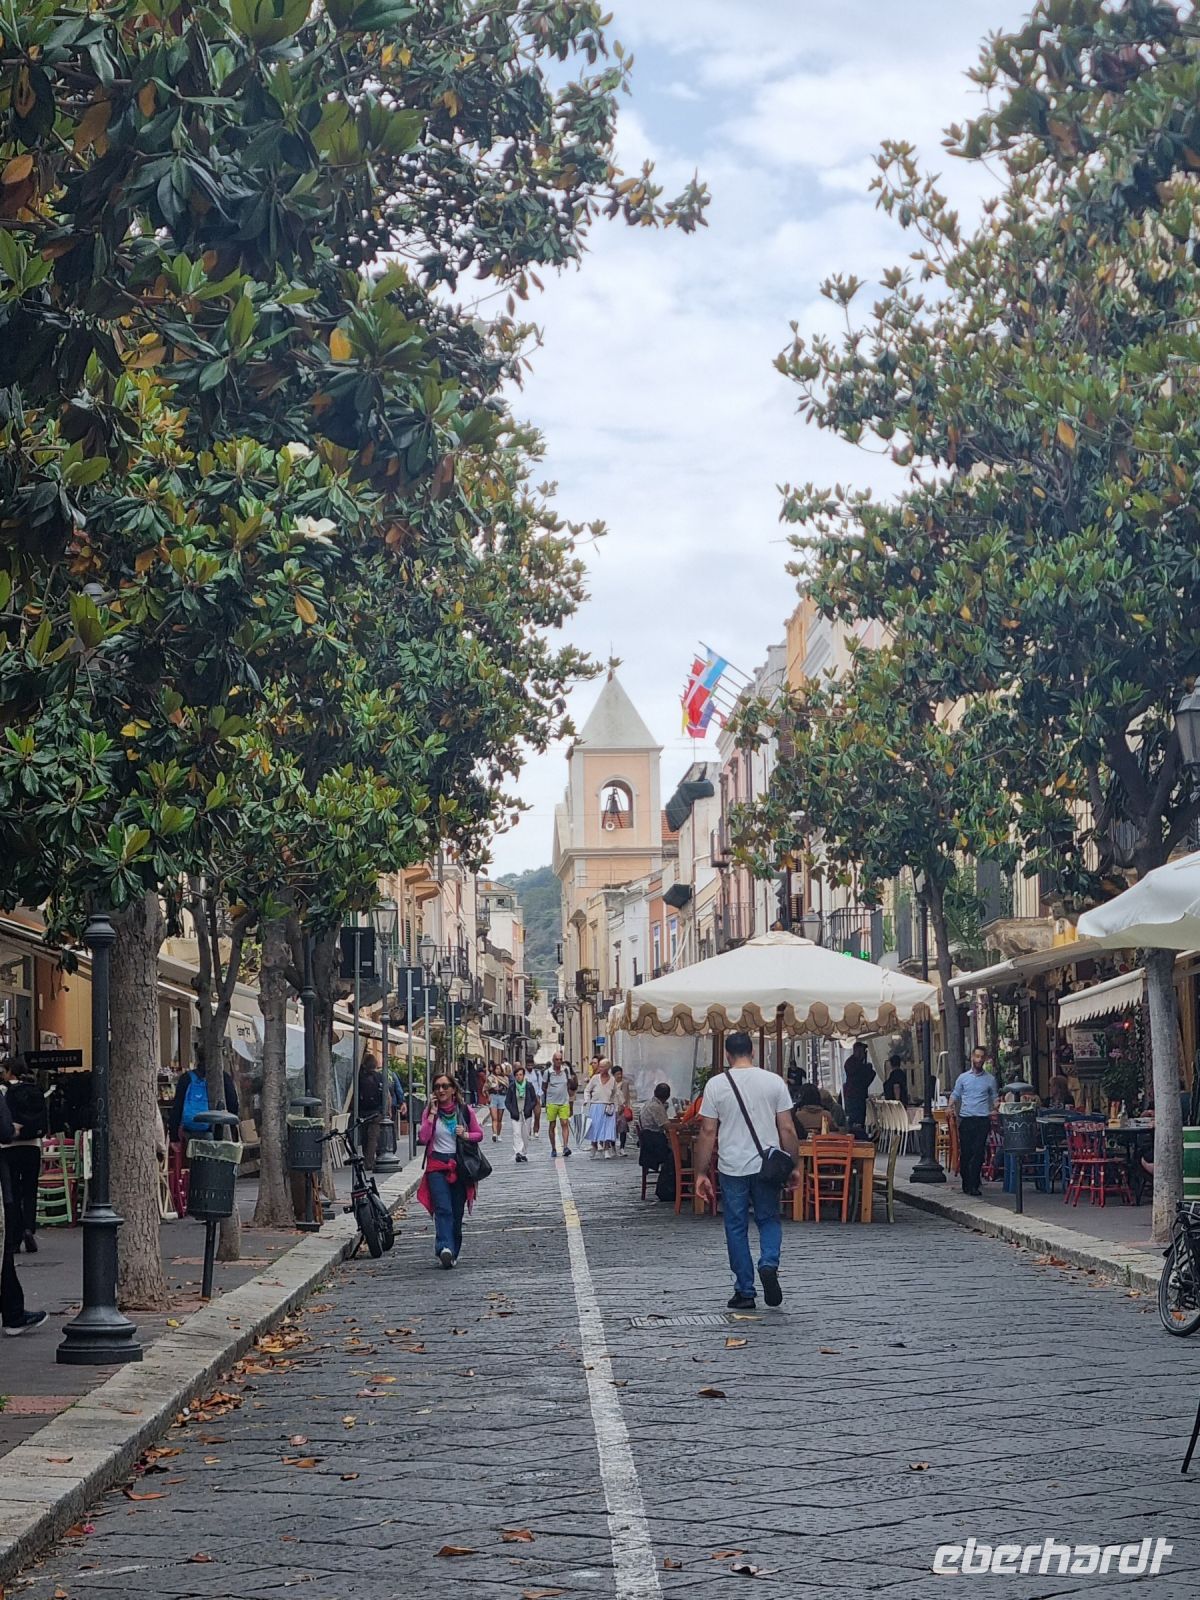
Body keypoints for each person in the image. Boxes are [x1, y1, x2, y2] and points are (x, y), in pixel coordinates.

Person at [694, 1033, 800, 1310]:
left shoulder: (716, 1085)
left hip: (732, 1166)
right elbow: (787, 1128)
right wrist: (794, 1165)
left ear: (727, 1055)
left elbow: (707, 1131)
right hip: (767, 1165)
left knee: (736, 1226)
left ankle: (745, 1290)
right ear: (753, 1052)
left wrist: (701, 1172)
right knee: (769, 1219)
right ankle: (769, 1262)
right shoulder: (774, 1082)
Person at [417, 1072, 485, 1268]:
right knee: (443, 1208)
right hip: (436, 1166)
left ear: (453, 1089)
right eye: (437, 1087)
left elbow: (479, 1135)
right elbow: (423, 1138)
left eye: (445, 1086)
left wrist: (466, 1134)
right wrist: (431, 1114)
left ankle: (453, 1251)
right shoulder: (430, 1112)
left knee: (456, 1211)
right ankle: (444, 1247)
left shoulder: (464, 1111)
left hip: (460, 1166)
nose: (441, 1090)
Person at [0, 1088, 47, 1336]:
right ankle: (13, 1314)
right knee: (4, 1250)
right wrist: (12, 1129)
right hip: (27, 1150)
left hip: (11, 1155)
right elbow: (4, 1130)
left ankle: (13, 1312)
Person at [3, 1063, 46, 1252]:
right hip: (33, 1145)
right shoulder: (35, 1090)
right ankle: (29, 1227)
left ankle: (15, 1233)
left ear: (10, 1072)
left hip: (9, 1147)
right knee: (30, 1190)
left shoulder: (5, 1091)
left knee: (12, 1191)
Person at [950, 1045, 999, 1198]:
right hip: (966, 1119)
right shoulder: (963, 1078)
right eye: (977, 1056)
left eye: (982, 1057)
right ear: (972, 1057)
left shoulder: (990, 1079)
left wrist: (996, 1107)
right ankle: (966, 1182)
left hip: (982, 1119)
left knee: (978, 1152)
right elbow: (955, 1094)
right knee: (966, 1152)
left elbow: (994, 1097)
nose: (979, 1060)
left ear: (985, 1059)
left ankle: (973, 1184)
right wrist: (950, 1106)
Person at [169, 1064, 240, 1144]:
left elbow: (177, 1108)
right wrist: (232, 1129)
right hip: (216, 1130)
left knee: (190, 1150)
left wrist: (174, 1136)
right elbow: (233, 1105)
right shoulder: (223, 1078)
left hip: (190, 1130)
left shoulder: (186, 1078)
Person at [635, 1082, 672, 1184]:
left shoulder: (651, 1103)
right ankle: (669, 1182)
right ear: (668, 1096)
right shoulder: (656, 1106)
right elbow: (666, 1126)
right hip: (653, 1144)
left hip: (650, 1141)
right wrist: (684, 1126)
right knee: (675, 1156)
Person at [583, 1059, 620, 1157]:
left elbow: (614, 1094)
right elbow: (587, 1090)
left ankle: (606, 1148)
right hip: (596, 1105)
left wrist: (615, 1107)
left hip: (608, 1106)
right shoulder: (595, 1078)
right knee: (594, 1127)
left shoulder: (612, 1080)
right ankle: (594, 1146)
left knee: (607, 1128)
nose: (600, 1069)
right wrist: (587, 1100)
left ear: (608, 1068)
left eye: (602, 1067)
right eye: (600, 1066)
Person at [542, 1051, 574, 1158]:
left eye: (560, 1059)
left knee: (565, 1123)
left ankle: (565, 1147)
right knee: (552, 1125)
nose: (559, 1061)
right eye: (557, 1059)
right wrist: (551, 1093)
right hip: (551, 1102)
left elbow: (569, 1083)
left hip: (564, 1101)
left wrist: (567, 1093)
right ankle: (553, 1148)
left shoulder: (566, 1070)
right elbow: (544, 1086)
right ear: (553, 1060)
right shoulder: (548, 1072)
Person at [357, 1051, 385, 1170]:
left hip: (362, 1111)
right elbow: (386, 1094)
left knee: (365, 1137)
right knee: (372, 1137)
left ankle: (367, 1159)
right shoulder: (379, 1077)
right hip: (376, 1111)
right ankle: (369, 1162)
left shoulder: (359, 1077)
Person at [505, 1065, 537, 1163]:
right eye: (517, 1075)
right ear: (515, 1076)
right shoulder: (512, 1087)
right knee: (516, 1133)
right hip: (516, 1114)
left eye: (520, 1075)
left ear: (523, 1075)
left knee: (525, 1134)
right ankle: (518, 1152)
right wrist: (512, 1110)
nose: (519, 1077)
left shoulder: (529, 1086)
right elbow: (507, 1101)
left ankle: (523, 1152)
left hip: (526, 1114)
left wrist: (529, 1108)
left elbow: (534, 1099)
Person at [842, 1042, 876, 1133]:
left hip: (860, 1096)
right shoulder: (851, 1063)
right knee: (854, 1120)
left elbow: (870, 1075)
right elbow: (858, 1074)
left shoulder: (859, 1064)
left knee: (860, 1120)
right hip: (853, 1097)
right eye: (861, 1051)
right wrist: (866, 1066)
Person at [613, 1066, 633, 1155]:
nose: (619, 1076)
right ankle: (613, 1147)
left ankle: (622, 1148)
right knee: (613, 1129)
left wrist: (624, 1106)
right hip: (613, 1108)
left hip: (622, 1108)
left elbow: (625, 1096)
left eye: (620, 1074)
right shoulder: (611, 1083)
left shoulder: (625, 1083)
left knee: (623, 1129)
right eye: (617, 1074)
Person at [486, 1064, 508, 1143]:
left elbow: (507, 1088)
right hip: (493, 1097)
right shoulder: (490, 1078)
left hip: (502, 1098)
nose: (497, 1070)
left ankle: (498, 1134)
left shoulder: (505, 1078)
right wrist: (488, 1096)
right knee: (494, 1118)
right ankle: (494, 1134)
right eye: (496, 1069)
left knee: (499, 1119)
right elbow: (486, 1088)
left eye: (499, 1069)